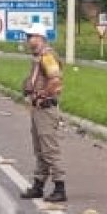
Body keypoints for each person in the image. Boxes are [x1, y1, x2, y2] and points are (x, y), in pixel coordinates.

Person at [20, 27, 65, 203]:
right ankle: (38, 185)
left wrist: (42, 95)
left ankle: (60, 187)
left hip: (46, 109)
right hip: (38, 110)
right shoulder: (38, 58)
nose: (28, 40)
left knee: (49, 150)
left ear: (40, 37)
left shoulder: (48, 57)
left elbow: (55, 81)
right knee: (40, 150)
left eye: (31, 36)